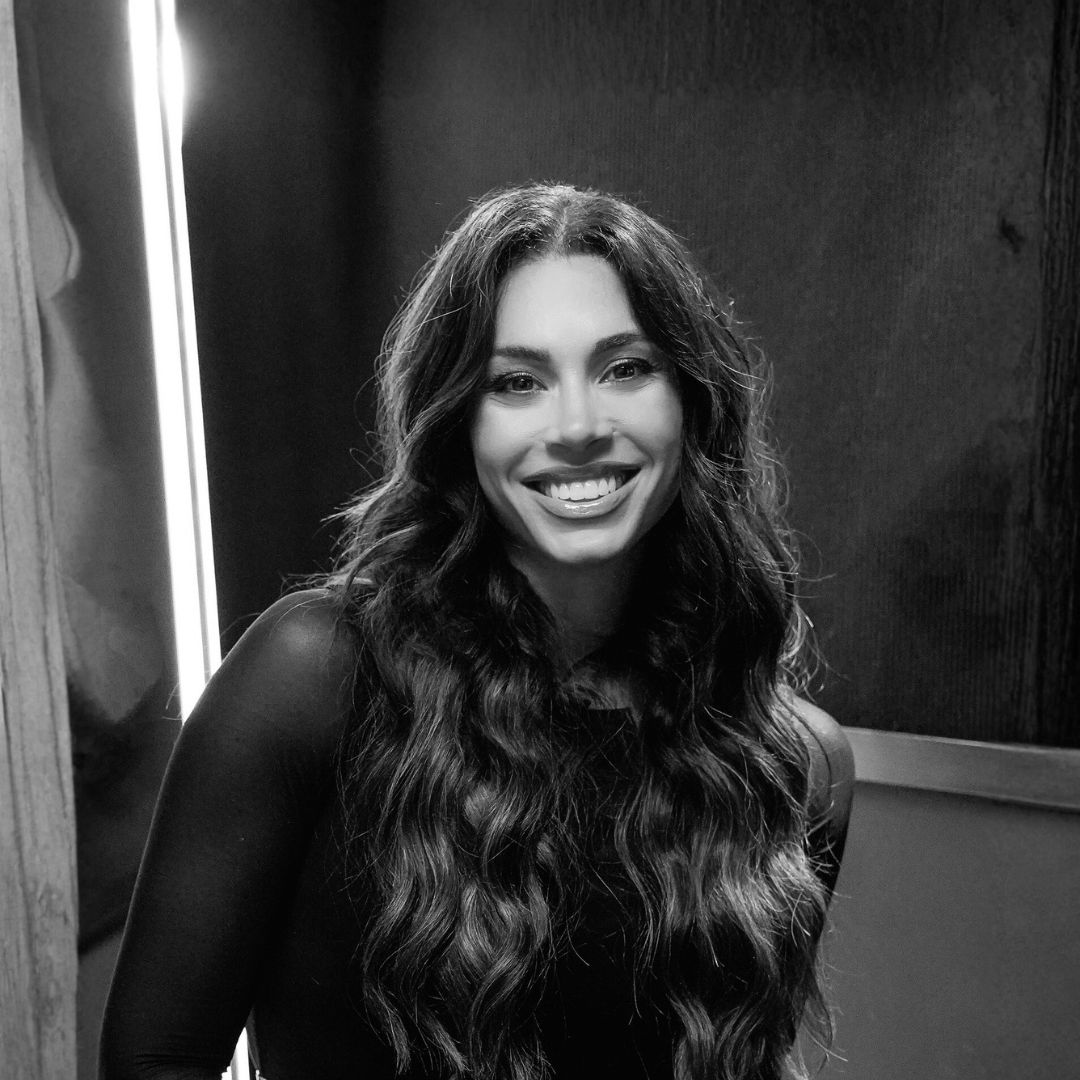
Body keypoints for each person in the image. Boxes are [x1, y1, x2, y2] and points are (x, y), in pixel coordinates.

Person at [100, 183, 854, 1080]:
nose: (578, 427)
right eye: (518, 383)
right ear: (459, 420)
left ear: (692, 400)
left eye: (625, 368)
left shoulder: (790, 762)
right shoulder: (315, 678)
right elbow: (155, 1060)